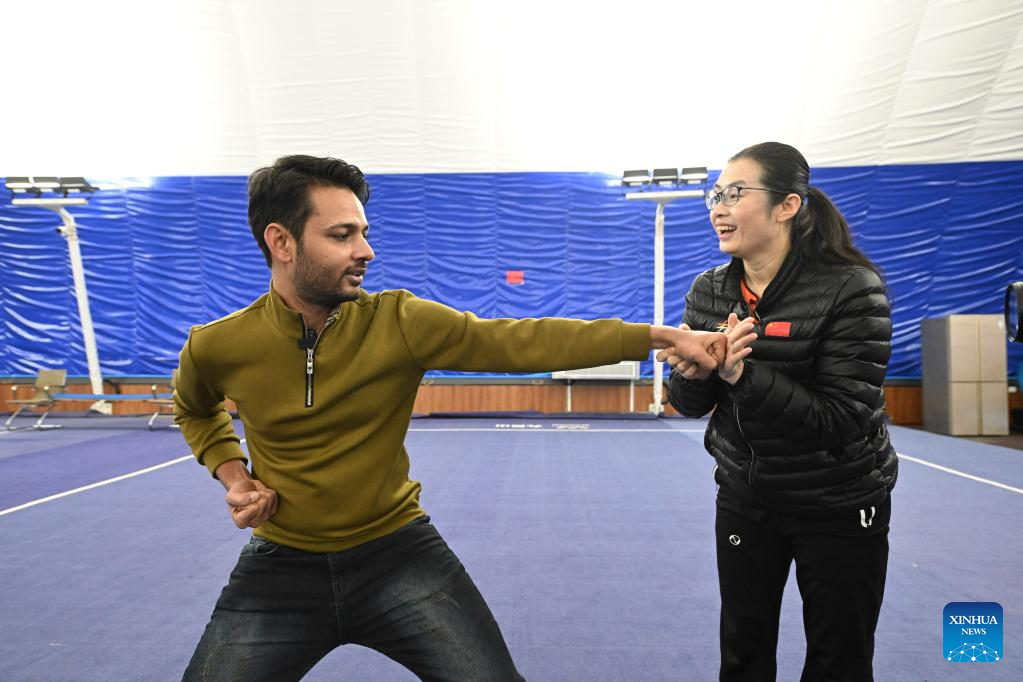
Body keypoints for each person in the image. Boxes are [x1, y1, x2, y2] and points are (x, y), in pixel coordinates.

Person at [176, 154, 727, 681]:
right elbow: (195, 409)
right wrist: (235, 475)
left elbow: (522, 341)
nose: (366, 250)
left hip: (397, 553)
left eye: (364, 232)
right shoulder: (218, 345)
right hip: (280, 564)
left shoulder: (398, 321)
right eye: (342, 235)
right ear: (281, 242)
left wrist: (662, 337)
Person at [660, 142, 898, 682]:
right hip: (746, 499)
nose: (718, 208)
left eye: (735, 194)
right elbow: (691, 405)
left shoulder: (851, 290)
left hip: (838, 502)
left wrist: (740, 375)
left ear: (787, 205)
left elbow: (840, 420)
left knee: (839, 661)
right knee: (743, 652)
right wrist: (692, 375)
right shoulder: (709, 290)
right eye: (716, 195)